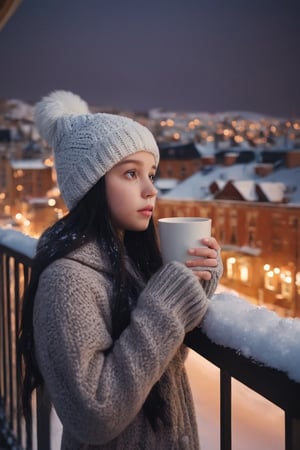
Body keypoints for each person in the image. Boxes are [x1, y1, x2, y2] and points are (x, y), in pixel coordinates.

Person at [18, 90, 223, 450]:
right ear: (90, 185)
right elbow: (94, 414)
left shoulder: (123, 260)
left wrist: (195, 284)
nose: (150, 190)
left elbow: (157, 360)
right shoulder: (68, 281)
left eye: (151, 174)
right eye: (131, 173)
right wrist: (166, 303)